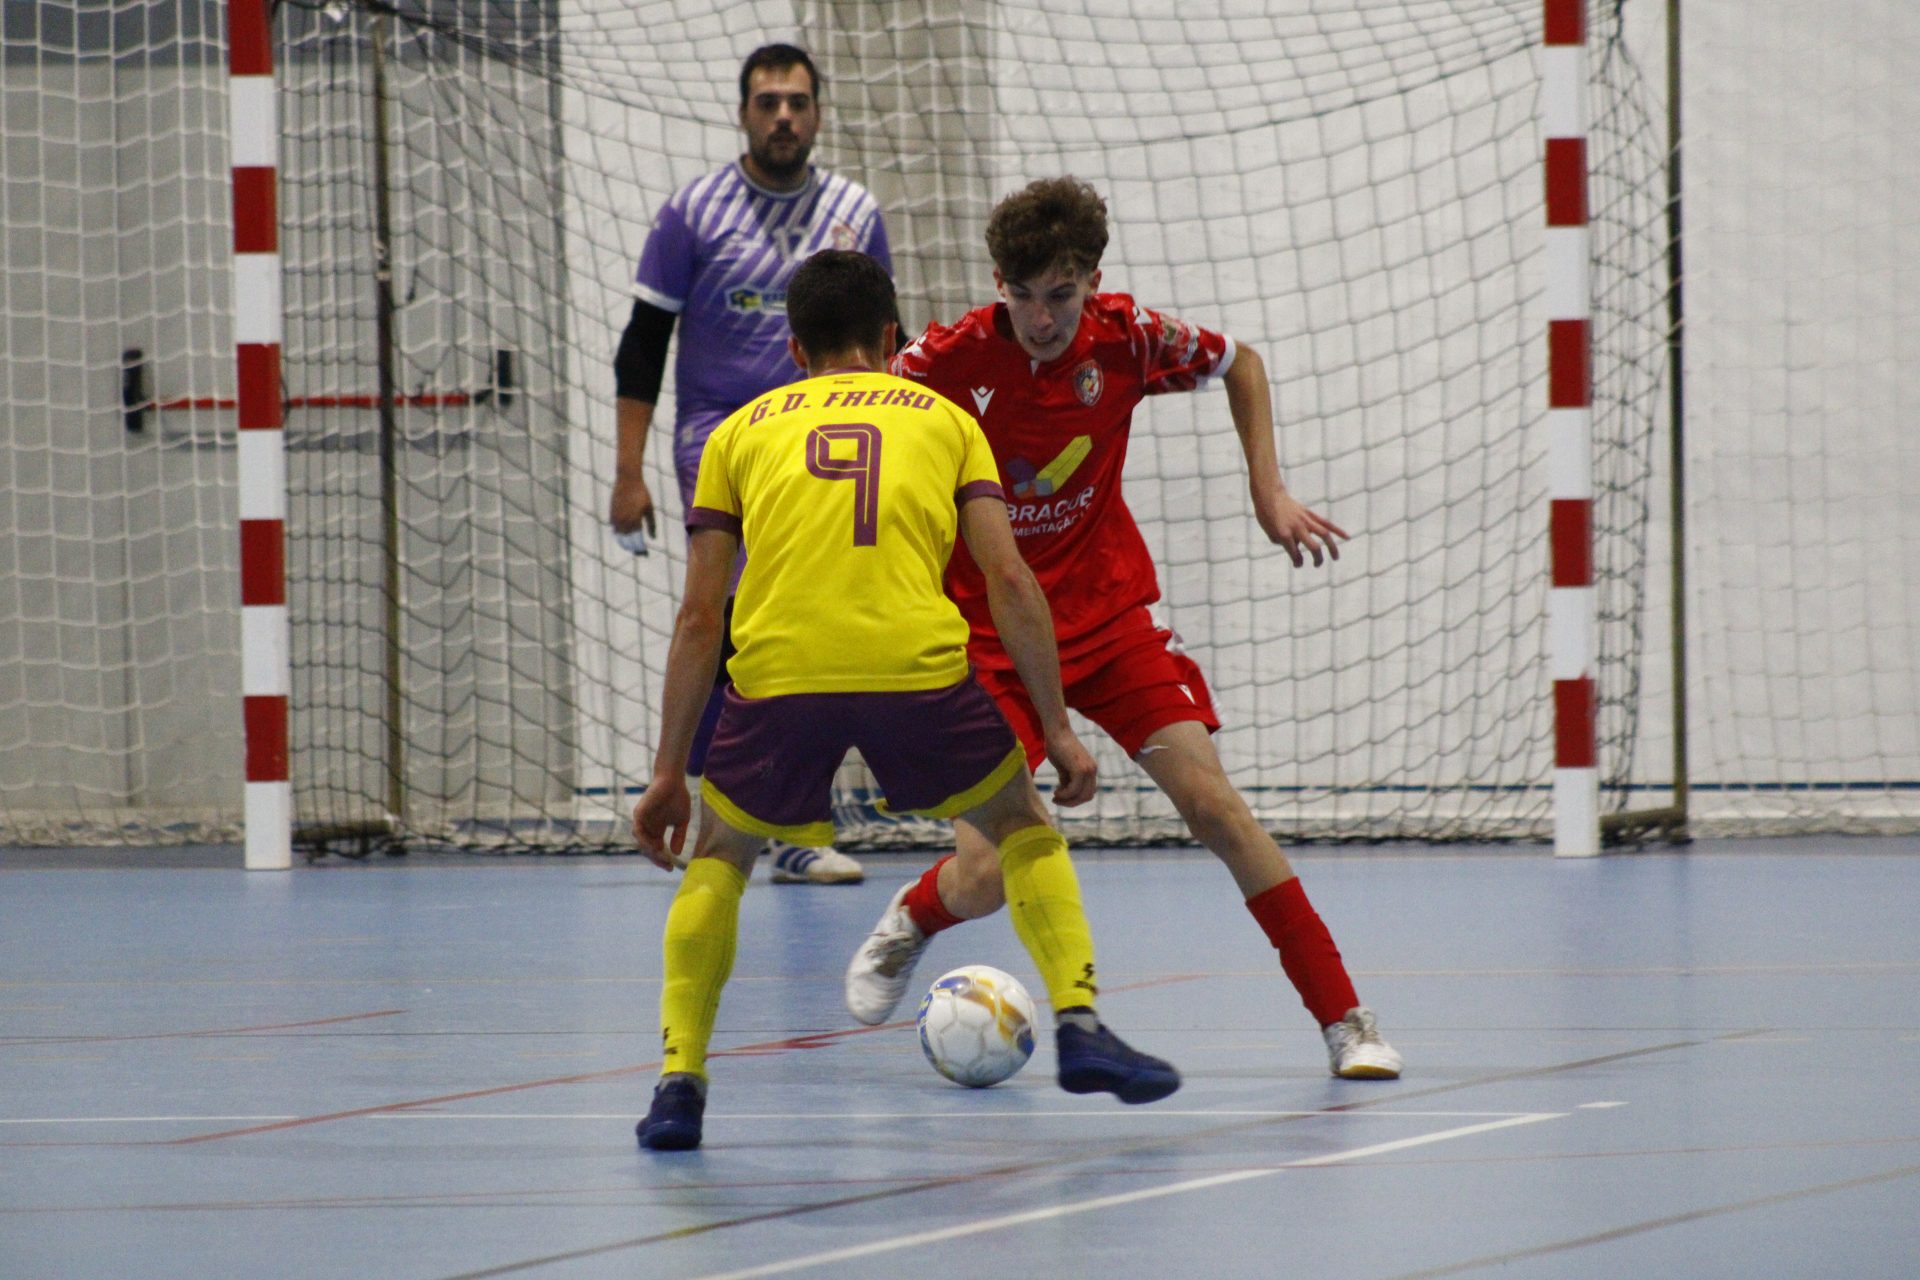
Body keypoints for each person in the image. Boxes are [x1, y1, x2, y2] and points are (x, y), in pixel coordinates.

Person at [844, 177, 1403, 1080]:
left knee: (1216, 807)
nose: (1040, 319)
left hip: (1107, 619)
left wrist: (1268, 490)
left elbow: (1241, 364)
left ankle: (1346, 1019)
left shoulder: (1130, 338)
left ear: (1091, 281)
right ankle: (916, 914)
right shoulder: (942, 359)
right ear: (998, 284)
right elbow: (858, 409)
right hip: (985, 639)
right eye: (1020, 296)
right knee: (985, 873)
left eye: (1060, 296)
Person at [629, 250, 1182, 1152]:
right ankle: (1079, 1022)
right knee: (1022, 827)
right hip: (915, 670)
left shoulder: (737, 435)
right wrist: (1057, 727)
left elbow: (700, 618)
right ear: (891, 340)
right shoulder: (949, 420)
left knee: (720, 857)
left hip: (781, 676)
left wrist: (665, 776)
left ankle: (680, 1081)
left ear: (793, 346)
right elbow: (1008, 579)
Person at [612, 43, 888, 886]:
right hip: (720, 441)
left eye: (797, 102)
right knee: (729, 624)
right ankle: (716, 814)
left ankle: (797, 827)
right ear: (742, 112)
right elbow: (642, 346)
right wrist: (629, 471)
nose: (782, 117)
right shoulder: (691, 214)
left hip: (824, 444)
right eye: (767, 101)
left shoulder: (854, 211)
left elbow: (886, 343)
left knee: (812, 624)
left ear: (816, 113)